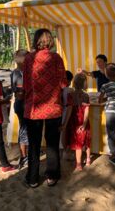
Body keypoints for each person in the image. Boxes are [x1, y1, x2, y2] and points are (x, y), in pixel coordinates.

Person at [23, 28, 67, 188]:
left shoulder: (29, 58)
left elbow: (26, 84)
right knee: (52, 144)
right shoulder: (56, 58)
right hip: (53, 108)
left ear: (36, 40)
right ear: (50, 41)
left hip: (33, 108)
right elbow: (63, 83)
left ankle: (33, 178)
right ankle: (52, 177)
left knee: (33, 145)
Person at [61, 73, 91, 171]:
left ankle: (78, 164)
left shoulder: (71, 95)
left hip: (74, 121)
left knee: (78, 143)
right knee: (86, 140)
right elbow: (87, 110)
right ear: (85, 83)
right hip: (83, 120)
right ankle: (88, 160)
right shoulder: (86, 95)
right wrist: (84, 123)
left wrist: (65, 124)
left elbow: (69, 110)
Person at [10, 49, 29, 169]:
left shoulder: (17, 72)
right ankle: (24, 157)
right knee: (25, 130)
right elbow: (20, 93)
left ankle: (25, 155)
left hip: (23, 104)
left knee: (26, 129)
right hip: (23, 105)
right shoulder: (19, 74)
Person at [60, 70, 74, 157]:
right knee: (64, 132)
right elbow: (69, 106)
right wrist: (65, 123)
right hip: (65, 113)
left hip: (58, 113)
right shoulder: (69, 90)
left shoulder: (58, 88)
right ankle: (66, 151)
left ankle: (64, 151)